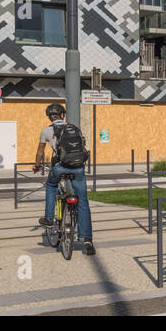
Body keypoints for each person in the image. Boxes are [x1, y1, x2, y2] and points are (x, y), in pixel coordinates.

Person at [34, 102, 95, 255]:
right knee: (83, 201)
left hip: (60, 167)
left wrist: (37, 165)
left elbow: (40, 151)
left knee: (51, 186)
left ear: (50, 117)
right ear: (63, 115)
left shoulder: (46, 131)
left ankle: (49, 218)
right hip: (78, 168)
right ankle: (87, 240)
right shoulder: (74, 129)